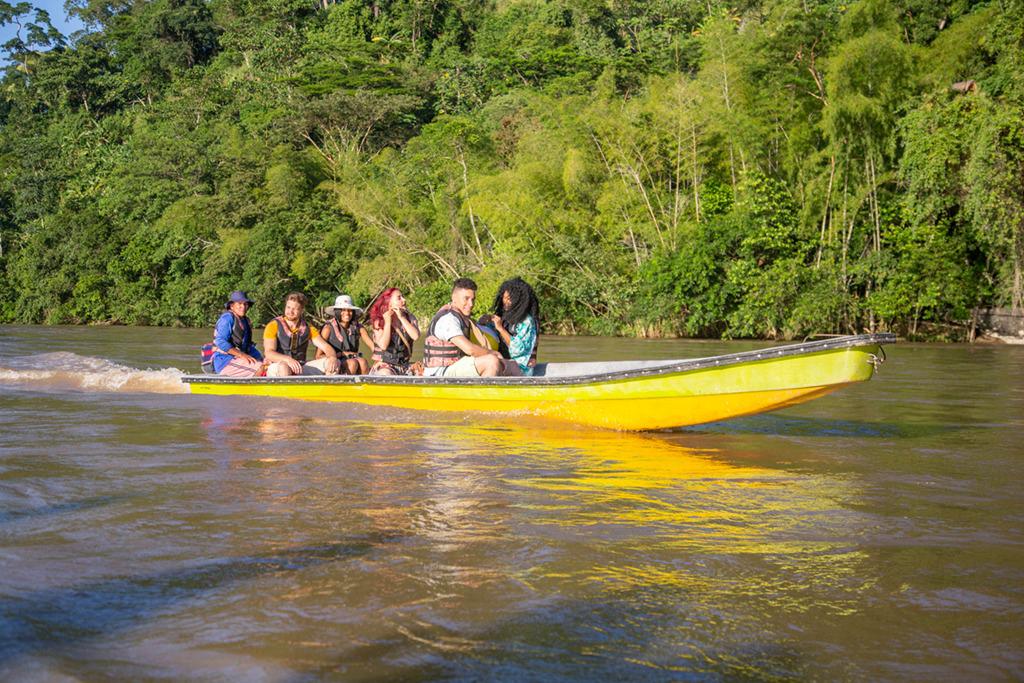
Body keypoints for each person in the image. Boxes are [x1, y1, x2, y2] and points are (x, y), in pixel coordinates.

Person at [422, 278, 521, 378]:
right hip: (440, 372)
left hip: (456, 365)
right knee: (491, 361)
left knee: (513, 365)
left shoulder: (463, 317)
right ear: (454, 297)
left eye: (473, 299)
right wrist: (493, 353)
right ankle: (483, 392)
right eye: (466, 298)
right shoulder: (448, 319)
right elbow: (469, 349)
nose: (471, 304)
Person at [263, 292, 341, 376]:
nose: (290, 311)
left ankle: (326, 388)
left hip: (300, 366)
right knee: (284, 367)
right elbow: (269, 353)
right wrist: (288, 360)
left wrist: (332, 358)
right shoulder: (273, 325)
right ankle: (286, 389)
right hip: (277, 366)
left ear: (301, 310)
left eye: (295, 309)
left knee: (334, 362)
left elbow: (326, 347)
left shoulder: (309, 328)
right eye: (288, 307)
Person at [491, 277, 540, 376]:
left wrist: (500, 328)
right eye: (504, 298)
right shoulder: (505, 316)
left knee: (491, 364)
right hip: (507, 364)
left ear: (519, 300)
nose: (505, 302)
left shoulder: (526, 321)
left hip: (520, 369)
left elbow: (517, 350)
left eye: (509, 299)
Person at [367, 288, 421, 375]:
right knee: (386, 373)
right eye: (399, 298)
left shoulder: (410, 318)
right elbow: (383, 345)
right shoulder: (379, 321)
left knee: (425, 372)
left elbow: (415, 336)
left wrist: (402, 318)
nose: (404, 300)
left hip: (405, 365)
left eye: (403, 297)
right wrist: (388, 322)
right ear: (389, 303)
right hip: (386, 365)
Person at [211, 290, 265, 377]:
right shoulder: (227, 318)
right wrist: (242, 355)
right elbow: (220, 342)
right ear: (232, 306)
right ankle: (250, 389)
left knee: (266, 365)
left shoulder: (245, 320)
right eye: (239, 303)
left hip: (239, 360)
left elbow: (248, 346)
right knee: (260, 367)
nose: (243, 307)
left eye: (245, 304)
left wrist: (262, 359)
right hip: (224, 361)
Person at [317, 294, 374, 375]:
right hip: (334, 361)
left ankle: (363, 386)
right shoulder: (328, 329)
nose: (347, 313)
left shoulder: (358, 327)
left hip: (352, 359)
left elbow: (372, 345)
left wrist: (379, 359)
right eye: (343, 310)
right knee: (352, 363)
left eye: (350, 310)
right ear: (338, 311)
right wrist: (342, 354)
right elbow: (318, 356)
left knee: (363, 362)